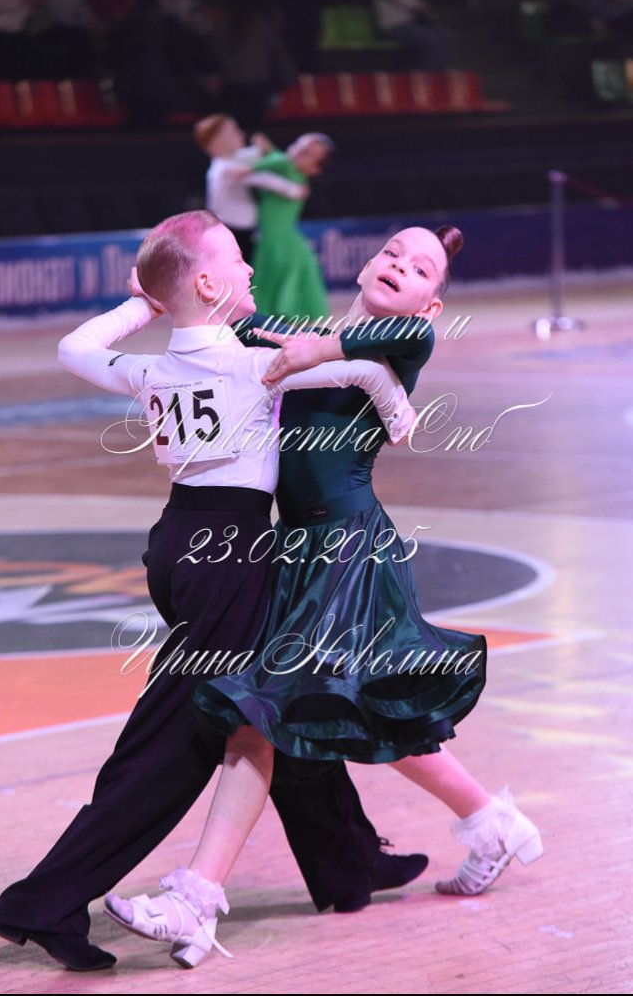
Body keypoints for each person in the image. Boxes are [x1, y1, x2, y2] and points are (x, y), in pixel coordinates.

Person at [0, 210, 425, 973]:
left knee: (276, 700)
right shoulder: (249, 364)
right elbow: (362, 370)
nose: (253, 268)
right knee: (181, 740)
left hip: (178, 543)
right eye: (237, 260)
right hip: (232, 554)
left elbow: (73, 347)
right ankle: (45, 900)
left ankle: (347, 858)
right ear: (214, 285)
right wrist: (399, 410)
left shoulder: (154, 368)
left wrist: (143, 307)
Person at [105, 225, 542, 967]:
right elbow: (231, 317)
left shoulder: (407, 340)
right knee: (363, 712)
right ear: (366, 264)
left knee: (261, 716)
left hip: (349, 551)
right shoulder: (304, 332)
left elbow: (374, 343)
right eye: (392, 253)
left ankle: (196, 899)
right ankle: (491, 820)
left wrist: (326, 353)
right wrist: (161, 293)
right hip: (299, 550)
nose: (400, 266)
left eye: (421, 268)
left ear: (431, 304)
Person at [194, 113, 307, 265]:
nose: (241, 134)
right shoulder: (223, 170)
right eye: (233, 132)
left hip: (242, 232)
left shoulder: (232, 160)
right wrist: (294, 190)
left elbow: (251, 156)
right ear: (216, 144)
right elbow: (264, 179)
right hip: (233, 234)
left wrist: (263, 149)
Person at [249, 132, 334, 322]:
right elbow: (279, 159)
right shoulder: (288, 169)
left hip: (280, 242)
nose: (299, 151)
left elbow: (262, 166)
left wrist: (263, 153)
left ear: (314, 169)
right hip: (277, 239)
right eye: (299, 145)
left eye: (307, 153)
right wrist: (268, 148)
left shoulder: (290, 171)